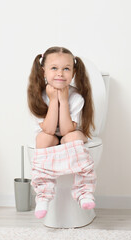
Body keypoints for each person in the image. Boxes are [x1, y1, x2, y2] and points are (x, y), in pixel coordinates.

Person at [27, 46, 96, 219]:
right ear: (43, 71)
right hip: (49, 136)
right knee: (43, 139)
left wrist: (63, 100)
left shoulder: (76, 98)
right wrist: (53, 100)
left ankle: (83, 191)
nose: (60, 73)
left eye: (66, 68)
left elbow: (66, 130)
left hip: (70, 134)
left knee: (72, 136)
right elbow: (50, 129)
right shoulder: (38, 96)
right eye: (54, 68)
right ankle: (43, 195)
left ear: (73, 73)